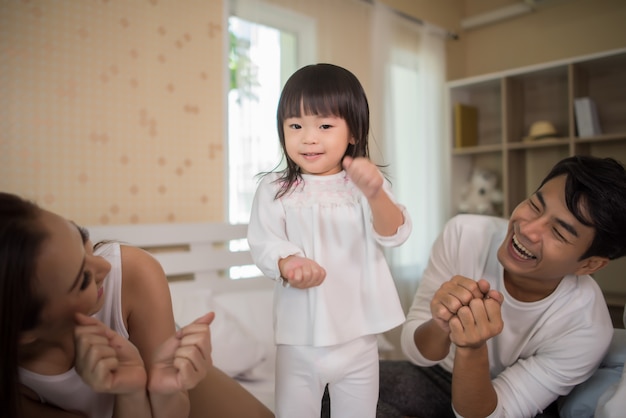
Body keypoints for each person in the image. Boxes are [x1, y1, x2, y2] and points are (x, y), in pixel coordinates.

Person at [377, 155, 626, 418]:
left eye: (559, 233)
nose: (528, 229)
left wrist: (472, 349)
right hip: (435, 376)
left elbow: (492, 414)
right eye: (535, 205)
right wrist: (441, 323)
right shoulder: (464, 234)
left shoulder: (587, 328)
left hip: (503, 403)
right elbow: (418, 353)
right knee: (342, 393)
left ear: (588, 265)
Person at [0, 191, 274, 418]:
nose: (104, 265)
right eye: (83, 279)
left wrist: (156, 387)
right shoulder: (15, 381)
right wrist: (129, 392)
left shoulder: (131, 271)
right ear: (23, 331)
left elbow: (171, 409)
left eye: (82, 237)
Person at [247, 63, 412, 418]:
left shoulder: (366, 184)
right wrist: (288, 262)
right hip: (298, 341)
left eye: (324, 125)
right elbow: (264, 241)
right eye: (295, 126)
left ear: (353, 132)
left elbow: (394, 233)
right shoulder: (275, 189)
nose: (309, 137)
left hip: (359, 339)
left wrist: (375, 193)